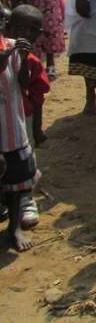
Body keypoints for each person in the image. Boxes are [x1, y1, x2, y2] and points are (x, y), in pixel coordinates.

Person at [7, 5, 50, 230]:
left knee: (26, 159)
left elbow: (34, 92)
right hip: (5, 120)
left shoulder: (31, 61)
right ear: (8, 28)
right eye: (20, 28)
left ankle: (26, 199)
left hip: (25, 118)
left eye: (32, 31)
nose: (25, 35)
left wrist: (38, 128)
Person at [0, 28, 38, 251]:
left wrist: (23, 59)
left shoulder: (11, 46)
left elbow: (23, 81)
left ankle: (14, 227)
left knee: (16, 180)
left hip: (11, 127)